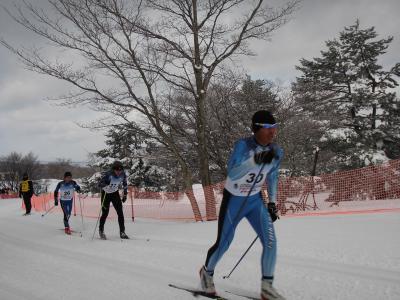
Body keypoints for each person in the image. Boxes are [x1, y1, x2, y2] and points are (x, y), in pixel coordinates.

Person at [199, 110, 285, 300]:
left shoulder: (277, 151)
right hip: (234, 200)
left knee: (271, 241)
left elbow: (272, 176)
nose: (273, 133)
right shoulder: (243, 146)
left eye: (275, 128)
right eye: (268, 128)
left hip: (255, 201)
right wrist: (256, 160)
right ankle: (206, 274)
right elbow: (233, 173)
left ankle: (267, 288)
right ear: (256, 129)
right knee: (224, 243)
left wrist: (272, 202)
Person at [98, 161, 129, 240]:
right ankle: (101, 230)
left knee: (120, 213)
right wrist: (105, 186)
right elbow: (99, 184)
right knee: (105, 213)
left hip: (115, 194)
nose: (118, 172)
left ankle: (122, 232)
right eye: (116, 170)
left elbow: (125, 184)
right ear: (113, 170)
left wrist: (125, 194)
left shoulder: (123, 174)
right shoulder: (108, 174)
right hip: (106, 194)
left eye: (120, 170)